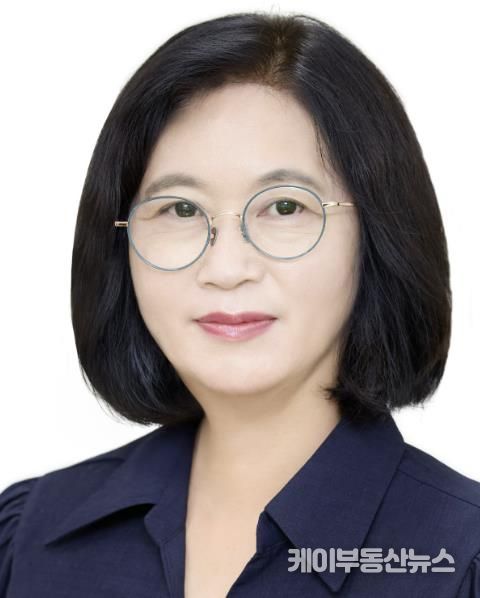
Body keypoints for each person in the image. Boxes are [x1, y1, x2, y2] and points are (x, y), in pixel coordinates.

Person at [1, 10, 479, 598]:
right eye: (180, 210)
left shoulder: (455, 559)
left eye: (284, 207)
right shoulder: (33, 538)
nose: (226, 269)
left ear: (376, 232)